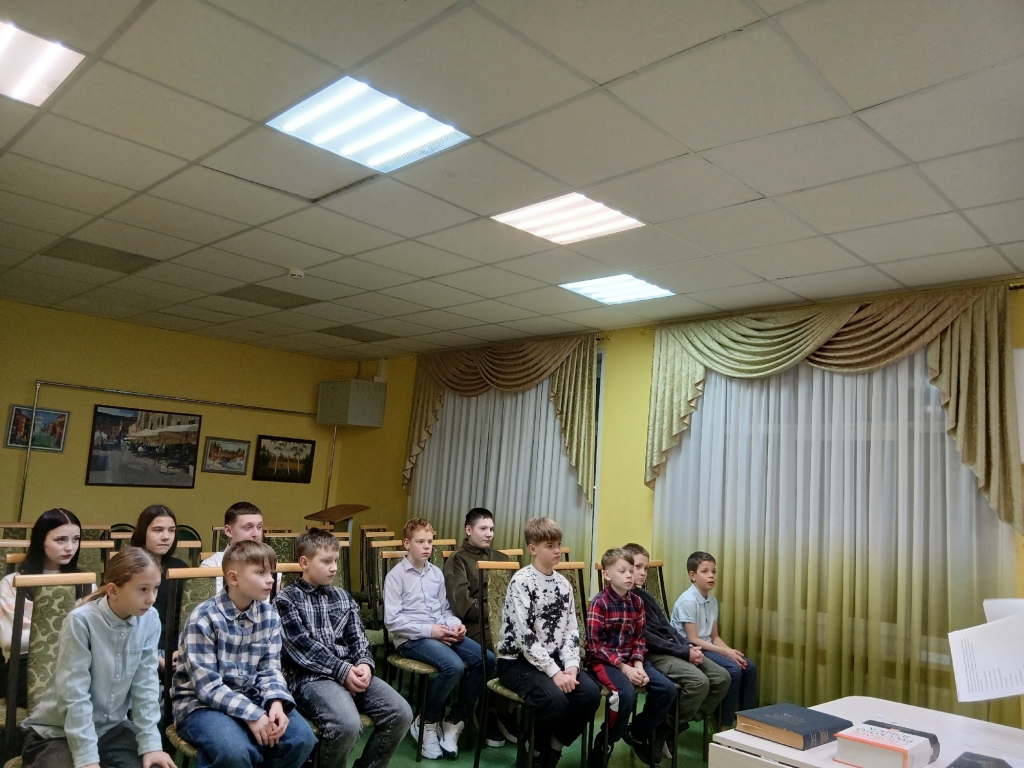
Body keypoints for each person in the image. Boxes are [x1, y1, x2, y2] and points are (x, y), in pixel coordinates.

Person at [20, 547, 176, 768]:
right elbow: (75, 695)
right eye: (143, 589)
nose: (151, 598)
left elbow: (145, 685)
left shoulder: (150, 619)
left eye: (156, 588)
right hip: (58, 732)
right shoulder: (81, 621)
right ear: (113, 590)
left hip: (111, 729)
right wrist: (87, 758)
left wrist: (151, 745)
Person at [172, 541, 316, 768]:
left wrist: (276, 703)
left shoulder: (269, 615)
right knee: (236, 752)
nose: (271, 579)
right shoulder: (203, 618)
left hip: (252, 695)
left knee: (301, 739)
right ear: (233, 578)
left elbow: (270, 670)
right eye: (260, 572)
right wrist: (254, 715)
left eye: (271, 572)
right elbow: (207, 688)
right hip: (200, 705)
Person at [276, 528, 412, 768]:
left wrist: (364, 664)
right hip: (309, 679)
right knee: (347, 724)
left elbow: (358, 637)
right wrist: (343, 671)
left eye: (336, 561)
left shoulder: (342, 597)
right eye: (326, 561)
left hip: (350, 671)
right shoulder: (287, 599)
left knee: (401, 713)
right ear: (304, 562)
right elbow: (302, 647)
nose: (334, 568)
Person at [497, 517, 600, 768]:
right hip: (517, 662)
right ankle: (532, 749)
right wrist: (555, 672)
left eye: (559, 545)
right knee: (555, 700)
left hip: (552, 660)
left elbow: (571, 630)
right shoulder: (521, 581)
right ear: (532, 548)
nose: (557, 551)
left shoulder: (564, 585)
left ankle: (553, 747)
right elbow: (525, 636)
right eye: (550, 546)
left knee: (590, 695)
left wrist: (571, 666)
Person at [383, 518, 485, 760]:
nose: (427, 547)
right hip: (410, 639)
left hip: (439, 631)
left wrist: (454, 624)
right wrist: (431, 631)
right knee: (454, 667)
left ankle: (453, 719)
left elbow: (444, 610)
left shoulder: (436, 573)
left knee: (486, 660)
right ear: (406, 543)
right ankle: (427, 721)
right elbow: (392, 621)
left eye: (430, 541)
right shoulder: (396, 576)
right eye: (420, 542)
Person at [623, 544, 730, 760]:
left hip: (674, 648)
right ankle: (660, 729)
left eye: (646, 568)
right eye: (638, 567)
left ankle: (666, 728)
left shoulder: (645, 595)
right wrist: (683, 652)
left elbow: (667, 627)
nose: (643, 573)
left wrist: (686, 646)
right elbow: (647, 638)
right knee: (699, 682)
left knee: (722, 678)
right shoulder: (626, 600)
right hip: (653, 653)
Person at [586, 548, 675, 767]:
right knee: (625, 695)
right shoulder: (599, 603)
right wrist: (624, 668)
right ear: (607, 574)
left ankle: (636, 731)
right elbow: (595, 646)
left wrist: (638, 664)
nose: (629, 575)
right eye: (622, 571)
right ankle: (606, 741)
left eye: (631, 570)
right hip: (604, 662)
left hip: (631, 660)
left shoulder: (637, 602)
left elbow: (639, 639)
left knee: (667, 689)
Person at [442, 507, 519, 748]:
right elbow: (462, 606)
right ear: (469, 530)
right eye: (483, 528)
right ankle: (487, 713)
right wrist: (496, 611)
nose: (489, 534)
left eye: (491, 529)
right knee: (500, 650)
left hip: (505, 623)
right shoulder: (458, 560)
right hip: (474, 625)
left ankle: (506, 708)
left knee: (528, 648)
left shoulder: (502, 559)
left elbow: (517, 596)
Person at [0, 508, 84, 708]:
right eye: (60, 540)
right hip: (25, 664)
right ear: (40, 540)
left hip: (74, 663)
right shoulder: (12, 583)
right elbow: (10, 641)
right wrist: (68, 631)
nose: (70, 547)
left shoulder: (84, 582)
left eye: (76, 539)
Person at [671, 552, 757, 729]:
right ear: (693, 575)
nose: (711, 575)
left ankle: (746, 721)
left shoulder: (712, 601)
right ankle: (722, 723)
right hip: (691, 648)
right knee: (733, 670)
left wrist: (731, 652)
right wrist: (726, 653)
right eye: (705, 571)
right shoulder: (688, 601)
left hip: (707, 646)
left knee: (748, 667)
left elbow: (715, 637)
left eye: (713, 571)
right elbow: (693, 638)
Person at [131, 505, 187, 671]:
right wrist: (153, 656)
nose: (166, 537)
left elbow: (186, 616)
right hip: (134, 646)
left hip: (176, 649)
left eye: (171, 530)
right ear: (143, 532)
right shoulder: (127, 567)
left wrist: (182, 648)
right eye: (158, 530)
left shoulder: (181, 568)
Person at [200, 502, 266, 594]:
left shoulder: (270, 563)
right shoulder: (211, 566)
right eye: (248, 527)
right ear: (228, 531)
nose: (256, 534)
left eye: (259, 527)